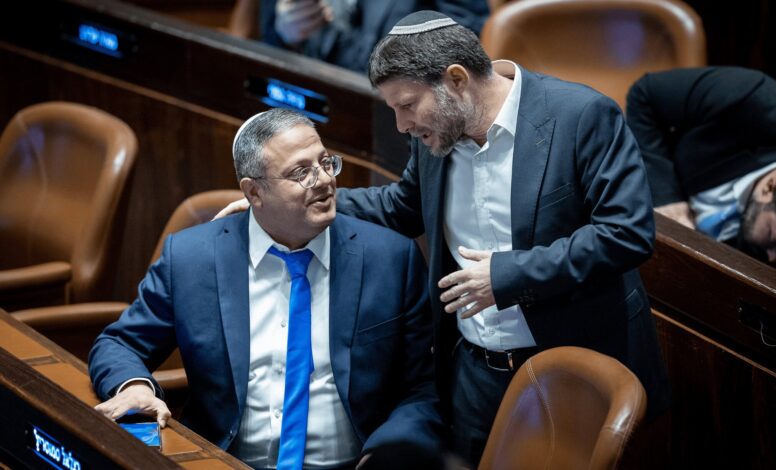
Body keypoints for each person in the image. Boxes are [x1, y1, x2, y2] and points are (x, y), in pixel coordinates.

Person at [217, 11, 670, 466]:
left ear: (456, 80)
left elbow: (626, 233)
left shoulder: (581, 115)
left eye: (407, 105)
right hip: (474, 374)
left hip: (573, 368)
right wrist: (298, 203)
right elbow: (403, 206)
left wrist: (506, 275)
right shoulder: (438, 133)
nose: (401, 124)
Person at [88, 108, 442, 469]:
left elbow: (423, 388)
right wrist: (135, 387)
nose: (324, 180)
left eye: (325, 163)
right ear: (254, 192)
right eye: (301, 172)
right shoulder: (191, 259)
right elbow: (119, 343)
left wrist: (387, 454)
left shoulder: (391, 259)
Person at [626, 66, 776, 265]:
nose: (772, 257)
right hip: (637, 188)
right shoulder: (753, 98)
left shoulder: (769, 227)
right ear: (770, 188)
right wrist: (667, 198)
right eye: (773, 240)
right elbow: (644, 95)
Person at [229, 0, 488, 72]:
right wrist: (285, 37)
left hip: (391, 128)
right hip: (293, 116)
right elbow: (256, 47)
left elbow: (460, 43)